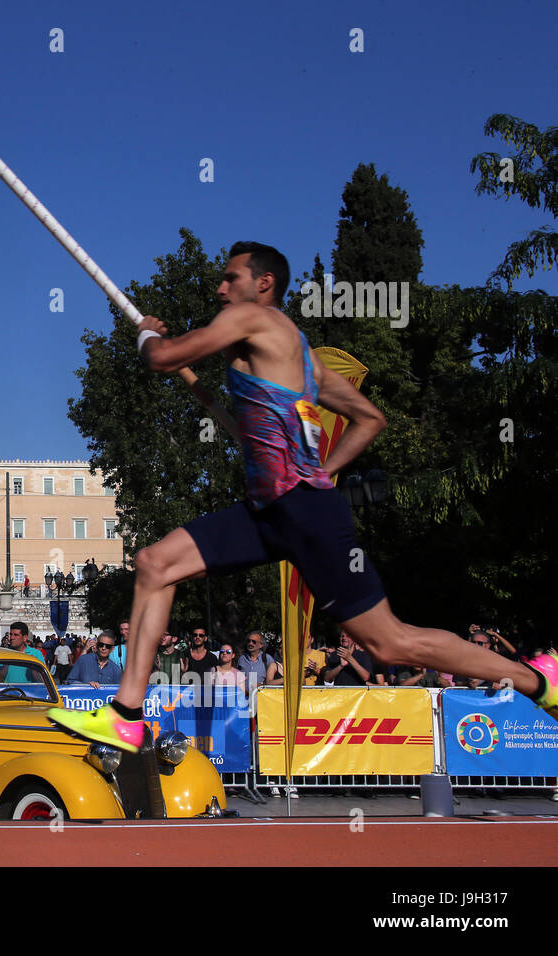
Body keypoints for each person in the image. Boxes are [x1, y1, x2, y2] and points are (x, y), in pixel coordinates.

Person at [48, 240, 558, 752]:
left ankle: (539, 681)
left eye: (232, 278)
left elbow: (162, 358)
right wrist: (320, 470)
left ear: (263, 284)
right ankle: (126, 716)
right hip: (271, 512)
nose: (221, 288)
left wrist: (147, 335)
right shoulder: (304, 360)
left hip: (305, 512)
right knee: (155, 564)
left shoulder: (254, 318)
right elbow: (370, 418)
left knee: (391, 641)